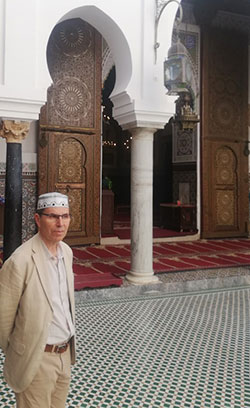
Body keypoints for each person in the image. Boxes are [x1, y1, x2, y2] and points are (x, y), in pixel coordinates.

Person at [0, 192, 75, 408]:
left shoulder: (66, 253)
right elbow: (4, 320)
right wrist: (23, 350)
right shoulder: (20, 261)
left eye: (65, 216)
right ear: (37, 219)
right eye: (52, 216)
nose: (60, 223)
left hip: (65, 353)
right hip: (37, 357)